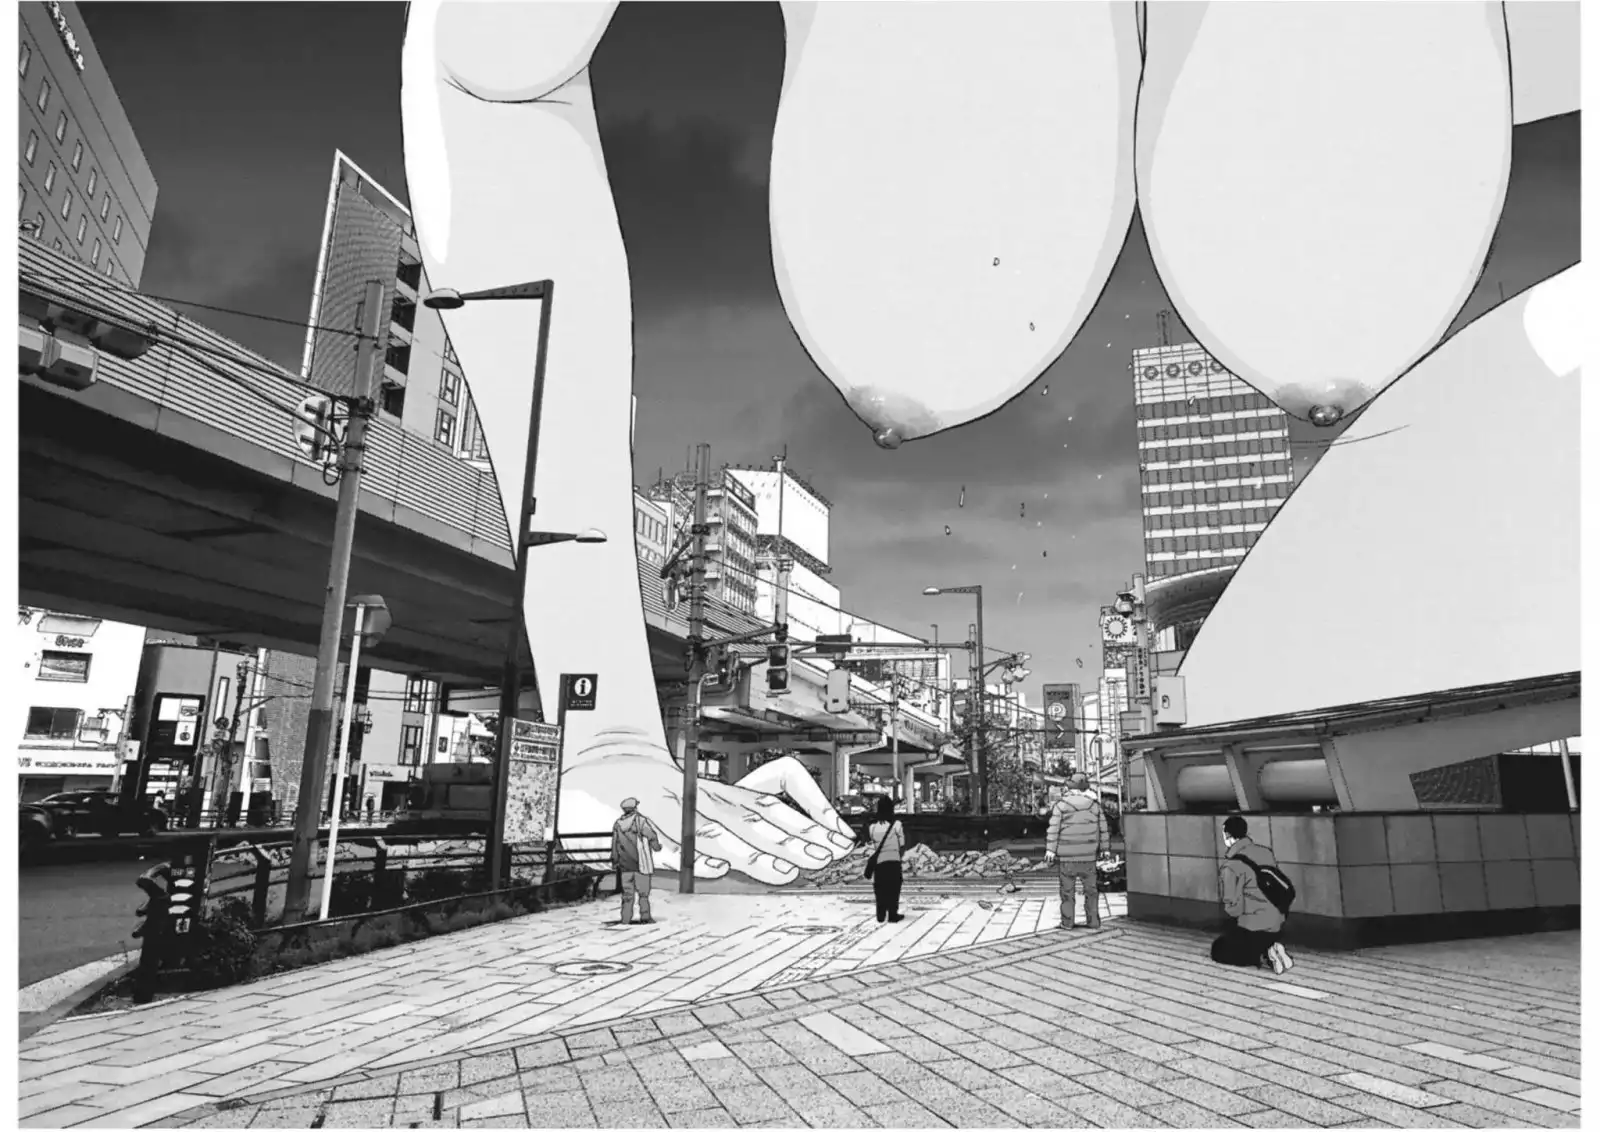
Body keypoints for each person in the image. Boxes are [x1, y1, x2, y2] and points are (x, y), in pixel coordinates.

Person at [1213, 815, 1294, 974]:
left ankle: (1264, 954)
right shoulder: (1265, 852)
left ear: (1227, 835)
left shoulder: (1231, 866)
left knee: (1219, 949)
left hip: (1254, 927)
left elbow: (1233, 908)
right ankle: (1272, 947)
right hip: (1277, 923)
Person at [1046, 773, 1108, 929]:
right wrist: (1105, 849)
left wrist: (1051, 850)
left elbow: (1054, 829)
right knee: (1091, 891)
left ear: (1070, 788)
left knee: (1067, 891)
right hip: (1089, 856)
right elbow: (1103, 829)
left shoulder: (1061, 805)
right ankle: (1093, 921)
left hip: (1067, 857)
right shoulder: (1095, 806)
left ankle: (1067, 922)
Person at [611, 797, 663, 925]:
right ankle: (645, 916)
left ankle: (625, 918)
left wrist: (615, 860)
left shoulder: (618, 824)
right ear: (634, 808)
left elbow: (614, 844)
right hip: (641, 864)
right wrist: (657, 847)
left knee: (627, 895)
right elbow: (651, 835)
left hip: (625, 865)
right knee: (643, 894)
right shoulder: (640, 821)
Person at [864, 795, 906, 923]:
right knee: (894, 888)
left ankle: (880, 914)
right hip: (894, 861)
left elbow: (873, 844)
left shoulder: (872, 827)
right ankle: (892, 914)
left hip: (880, 862)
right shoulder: (897, 825)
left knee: (880, 888)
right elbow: (902, 844)